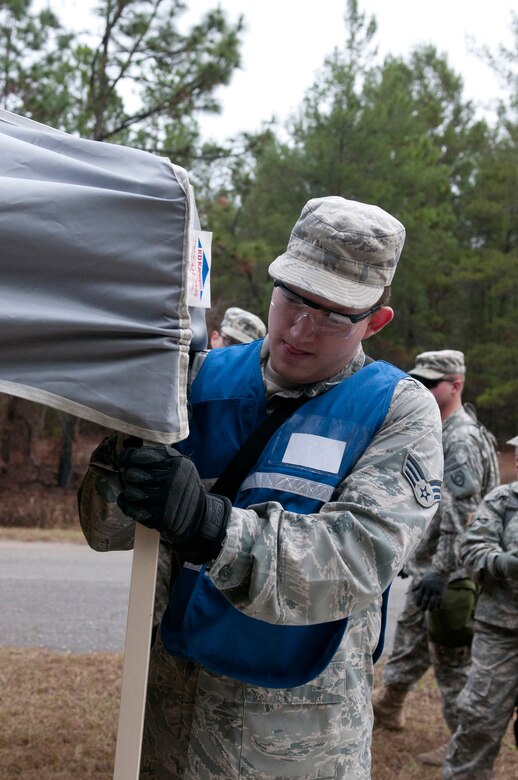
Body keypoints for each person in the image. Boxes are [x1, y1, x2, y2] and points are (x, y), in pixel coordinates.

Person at [78, 195, 443, 780]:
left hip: (292, 745)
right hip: (169, 718)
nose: (300, 328)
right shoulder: (197, 377)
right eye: (293, 298)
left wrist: (210, 527)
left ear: (375, 321)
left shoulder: (397, 410)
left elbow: (357, 560)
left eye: (333, 314)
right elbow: (106, 531)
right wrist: (123, 457)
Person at [372, 350, 500, 767]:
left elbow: (463, 514)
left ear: (456, 384)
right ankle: (389, 707)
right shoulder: (446, 428)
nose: (424, 389)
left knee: (451, 660)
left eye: (432, 383)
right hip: (434, 567)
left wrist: (443, 573)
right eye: (420, 381)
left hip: (453, 573)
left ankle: (462, 740)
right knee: (409, 637)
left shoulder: (460, 438)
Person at [153, 305, 267, 624]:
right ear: (214, 336)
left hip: (219, 540)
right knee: (157, 626)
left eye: (241, 348)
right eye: (228, 341)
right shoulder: (183, 384)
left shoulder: (251, 410)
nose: (229, 351)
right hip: (164, 539)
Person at [442, 434, 518, 780]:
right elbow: (470, 552)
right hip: (500, 633)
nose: (516, 458)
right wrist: (505, 563)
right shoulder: (503, 500)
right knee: (479, 722)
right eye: (517, 453)